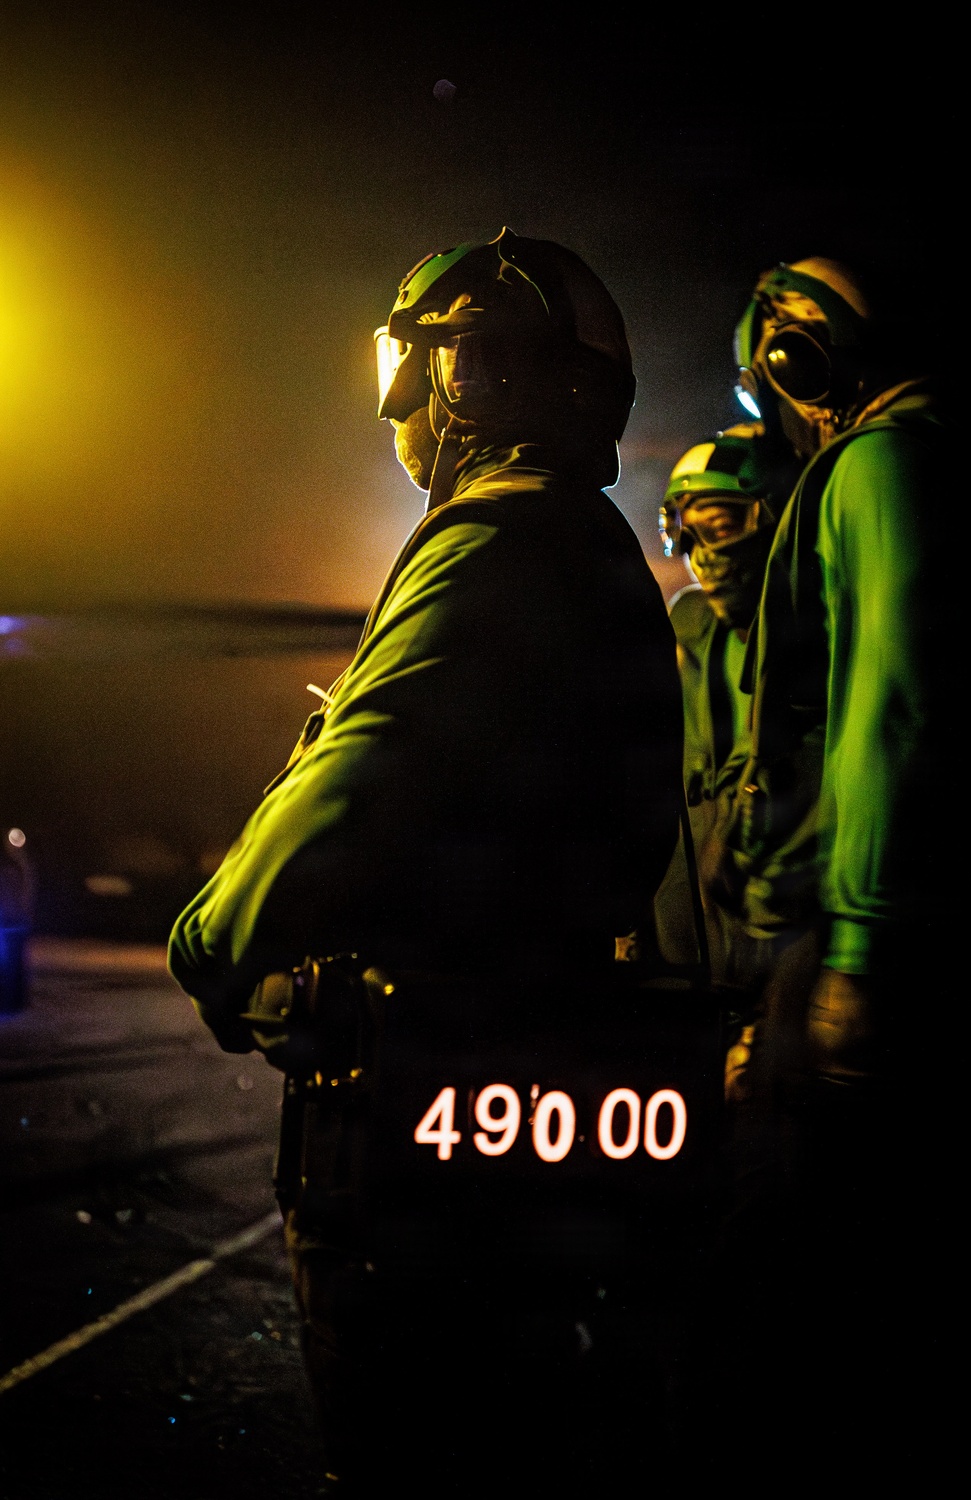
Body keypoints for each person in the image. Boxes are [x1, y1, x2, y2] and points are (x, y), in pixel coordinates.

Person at [168, 228, 683, 1490]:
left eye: (419, 360)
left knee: (405, 1436)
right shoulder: (594, 545)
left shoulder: (494, 542)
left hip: (421, 1089)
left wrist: (213, 939)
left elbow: (363, 773)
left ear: (462, 376)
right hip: (541, 1057)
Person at [703, 256, 950, 1476]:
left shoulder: (882, 464)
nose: (782, 418)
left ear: (801, 357)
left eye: (772, 389)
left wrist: (852, 950)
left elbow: (888, 705)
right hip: (854, 941)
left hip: (868, 949)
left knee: (792, 1287)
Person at [652, 428, 799, 1033]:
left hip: (778, 973)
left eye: (720, 525)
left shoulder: (812, 651)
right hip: (686, 977)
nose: (702, 553)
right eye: (687, 532)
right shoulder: (686, 638)